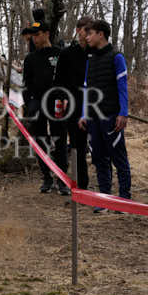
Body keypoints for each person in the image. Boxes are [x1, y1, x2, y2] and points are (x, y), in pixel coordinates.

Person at [78, 19, 131, 213]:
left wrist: (123, 113)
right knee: (99, 158)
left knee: (119, 158)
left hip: (111, 116)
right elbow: (86, 89)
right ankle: (104, 200)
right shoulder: (90, 59)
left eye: (90, 33)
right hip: (93, 118)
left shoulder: (117, 57)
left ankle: (124, 200)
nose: (87, 37)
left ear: (101, 34)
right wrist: (83, 114)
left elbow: (122, 87)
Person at [22, 20, 69, 195]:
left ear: (47, 34)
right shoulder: (30, 58)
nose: (34, 39)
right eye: (32, 36)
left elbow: (67, 80)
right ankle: (46, 178)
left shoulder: (60, 54)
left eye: (37, 35)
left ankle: (62, 179)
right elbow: (26, 84)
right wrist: (29, 104)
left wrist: (65, 98)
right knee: (40, 140)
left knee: (60, 139)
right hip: (37, 103)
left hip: (57, 103)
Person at [55, 16, 93, 190]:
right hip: (73, 106)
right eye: (86, 30)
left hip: (95, 105)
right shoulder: (67, 54)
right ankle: (81, 186)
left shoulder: (96, 53)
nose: (89, 33)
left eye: (91, 30)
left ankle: (106, 190)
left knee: (100, 149)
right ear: (78, 31)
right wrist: (62, 99)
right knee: (78, 146)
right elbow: (58, 81)